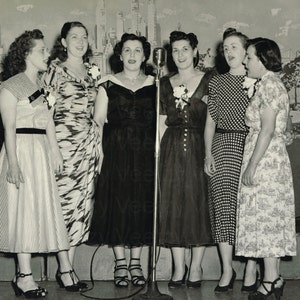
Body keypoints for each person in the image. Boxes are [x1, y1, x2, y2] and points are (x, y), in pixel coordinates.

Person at [0, 29, 70, 298]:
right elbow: (8, 129)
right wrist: (13, 164)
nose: (47, 54)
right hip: (20, 152)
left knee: (36, 211)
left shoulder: (41, 86)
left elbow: (47, 122)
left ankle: (26, 277)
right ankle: (24, 277)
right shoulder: (10, 86)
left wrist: (55, 152)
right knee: (21, 212)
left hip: (39, 155)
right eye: (41, 50)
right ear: (27, 54)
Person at [88, 33, 156, 288]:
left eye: (137, 50)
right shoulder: (107, 84)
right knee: (118, 203)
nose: (132, 55)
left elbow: (159, 123)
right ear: (119, 55)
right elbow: (97, 124)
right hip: (116, 151)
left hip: (145, 154)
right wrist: (100, 156)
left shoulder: (155, 84)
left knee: (140, 202)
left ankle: (136, 261)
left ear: (145, 55)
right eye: (127, 50)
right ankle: (119, 262)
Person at [42, 21, 103, 291]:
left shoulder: (93, 73)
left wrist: (98, 145)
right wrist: (53, 148)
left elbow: (97, 114)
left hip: (87, 147)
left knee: (81, 209)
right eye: (74, 36)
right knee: (64, 207)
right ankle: (65, 268)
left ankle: (69, 267)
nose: (80, 41)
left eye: (84, 36)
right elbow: (43, 112)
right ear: (64, 42)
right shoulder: (54, 70)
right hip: (62, 146)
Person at [235, 37, 297, 300]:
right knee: (266, 219)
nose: (244, 62)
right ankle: (274, 277)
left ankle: (271, 279)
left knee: (267, 218)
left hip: (265, 162)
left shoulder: (270, 84)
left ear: (262, 59)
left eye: (248, 57)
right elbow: (286, 127)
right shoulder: (271, 84)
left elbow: (268, 129)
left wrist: (252, 165)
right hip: (270, 158)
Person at [158, 31, 213, 289]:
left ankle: (197, 265)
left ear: (194, 51)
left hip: (200, 145)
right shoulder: (164, 83)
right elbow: (160, 121)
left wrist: (210, 151)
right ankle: (179, 267)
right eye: (175, 50)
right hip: (171, 147)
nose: (180, 55)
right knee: (173, 204)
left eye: (184, 49)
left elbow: (213, 117)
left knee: (197, 202)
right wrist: (157, 152)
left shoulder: (209, 80)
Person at [204, 28, 254, 293]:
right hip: (222, 145)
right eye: (225, 48)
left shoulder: (257, 80)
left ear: (246, 51)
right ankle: (227, 269)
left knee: (248, 207)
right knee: (223, 204)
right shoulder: (217, 82)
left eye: (234, 46)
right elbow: (211, 121)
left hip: (250, 146)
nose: (229, 51)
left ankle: (251, 267)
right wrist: (207, 153)